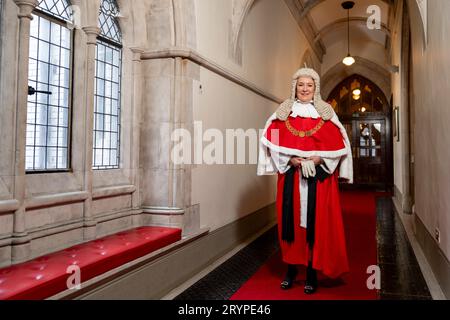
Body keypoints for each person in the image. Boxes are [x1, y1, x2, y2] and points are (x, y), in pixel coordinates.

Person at [257, 68, 353, 294]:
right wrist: (289, 159)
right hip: (291, 179)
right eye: (301, 85)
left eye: (309, 85)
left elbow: (340, 145)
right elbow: (271, 142)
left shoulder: (326, 112)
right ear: (295, 87)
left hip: (318, 182)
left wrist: (321, 158)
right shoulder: (283, 112)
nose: (305, 89)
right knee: (289, 225)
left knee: (315, 226)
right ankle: (290, 270)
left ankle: (311, 272)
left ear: (315, 88)